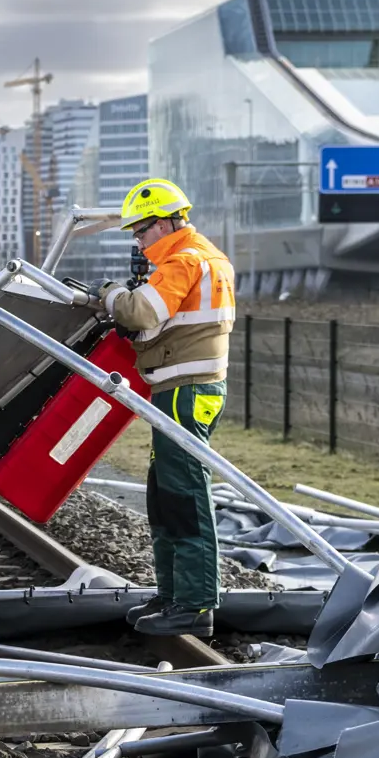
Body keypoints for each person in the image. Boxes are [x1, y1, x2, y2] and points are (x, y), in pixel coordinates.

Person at [98, 178, 236, 638]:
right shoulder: (205, 257)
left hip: (185, 391)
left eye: (140, 232)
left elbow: (139, 312)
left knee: (185, 498)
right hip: (183, 391)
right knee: (163, 495)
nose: (138, 242)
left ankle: (195, 606)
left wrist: (110, 293)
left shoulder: (183, 260)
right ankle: (174, 595)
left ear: (163, 223)